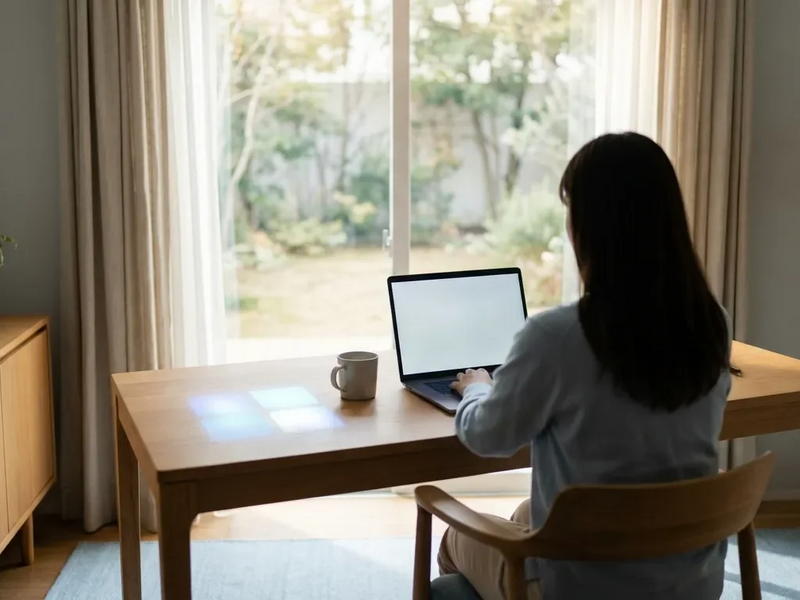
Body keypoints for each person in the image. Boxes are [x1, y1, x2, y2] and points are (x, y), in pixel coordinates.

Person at [438, 132, 731, 600]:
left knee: (453, 537)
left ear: (586, 228)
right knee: (523, 515)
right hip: (688, 582)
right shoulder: (710, 322)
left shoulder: (556, 336)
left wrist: (476, 387)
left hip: (579, 589)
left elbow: (488, 436)